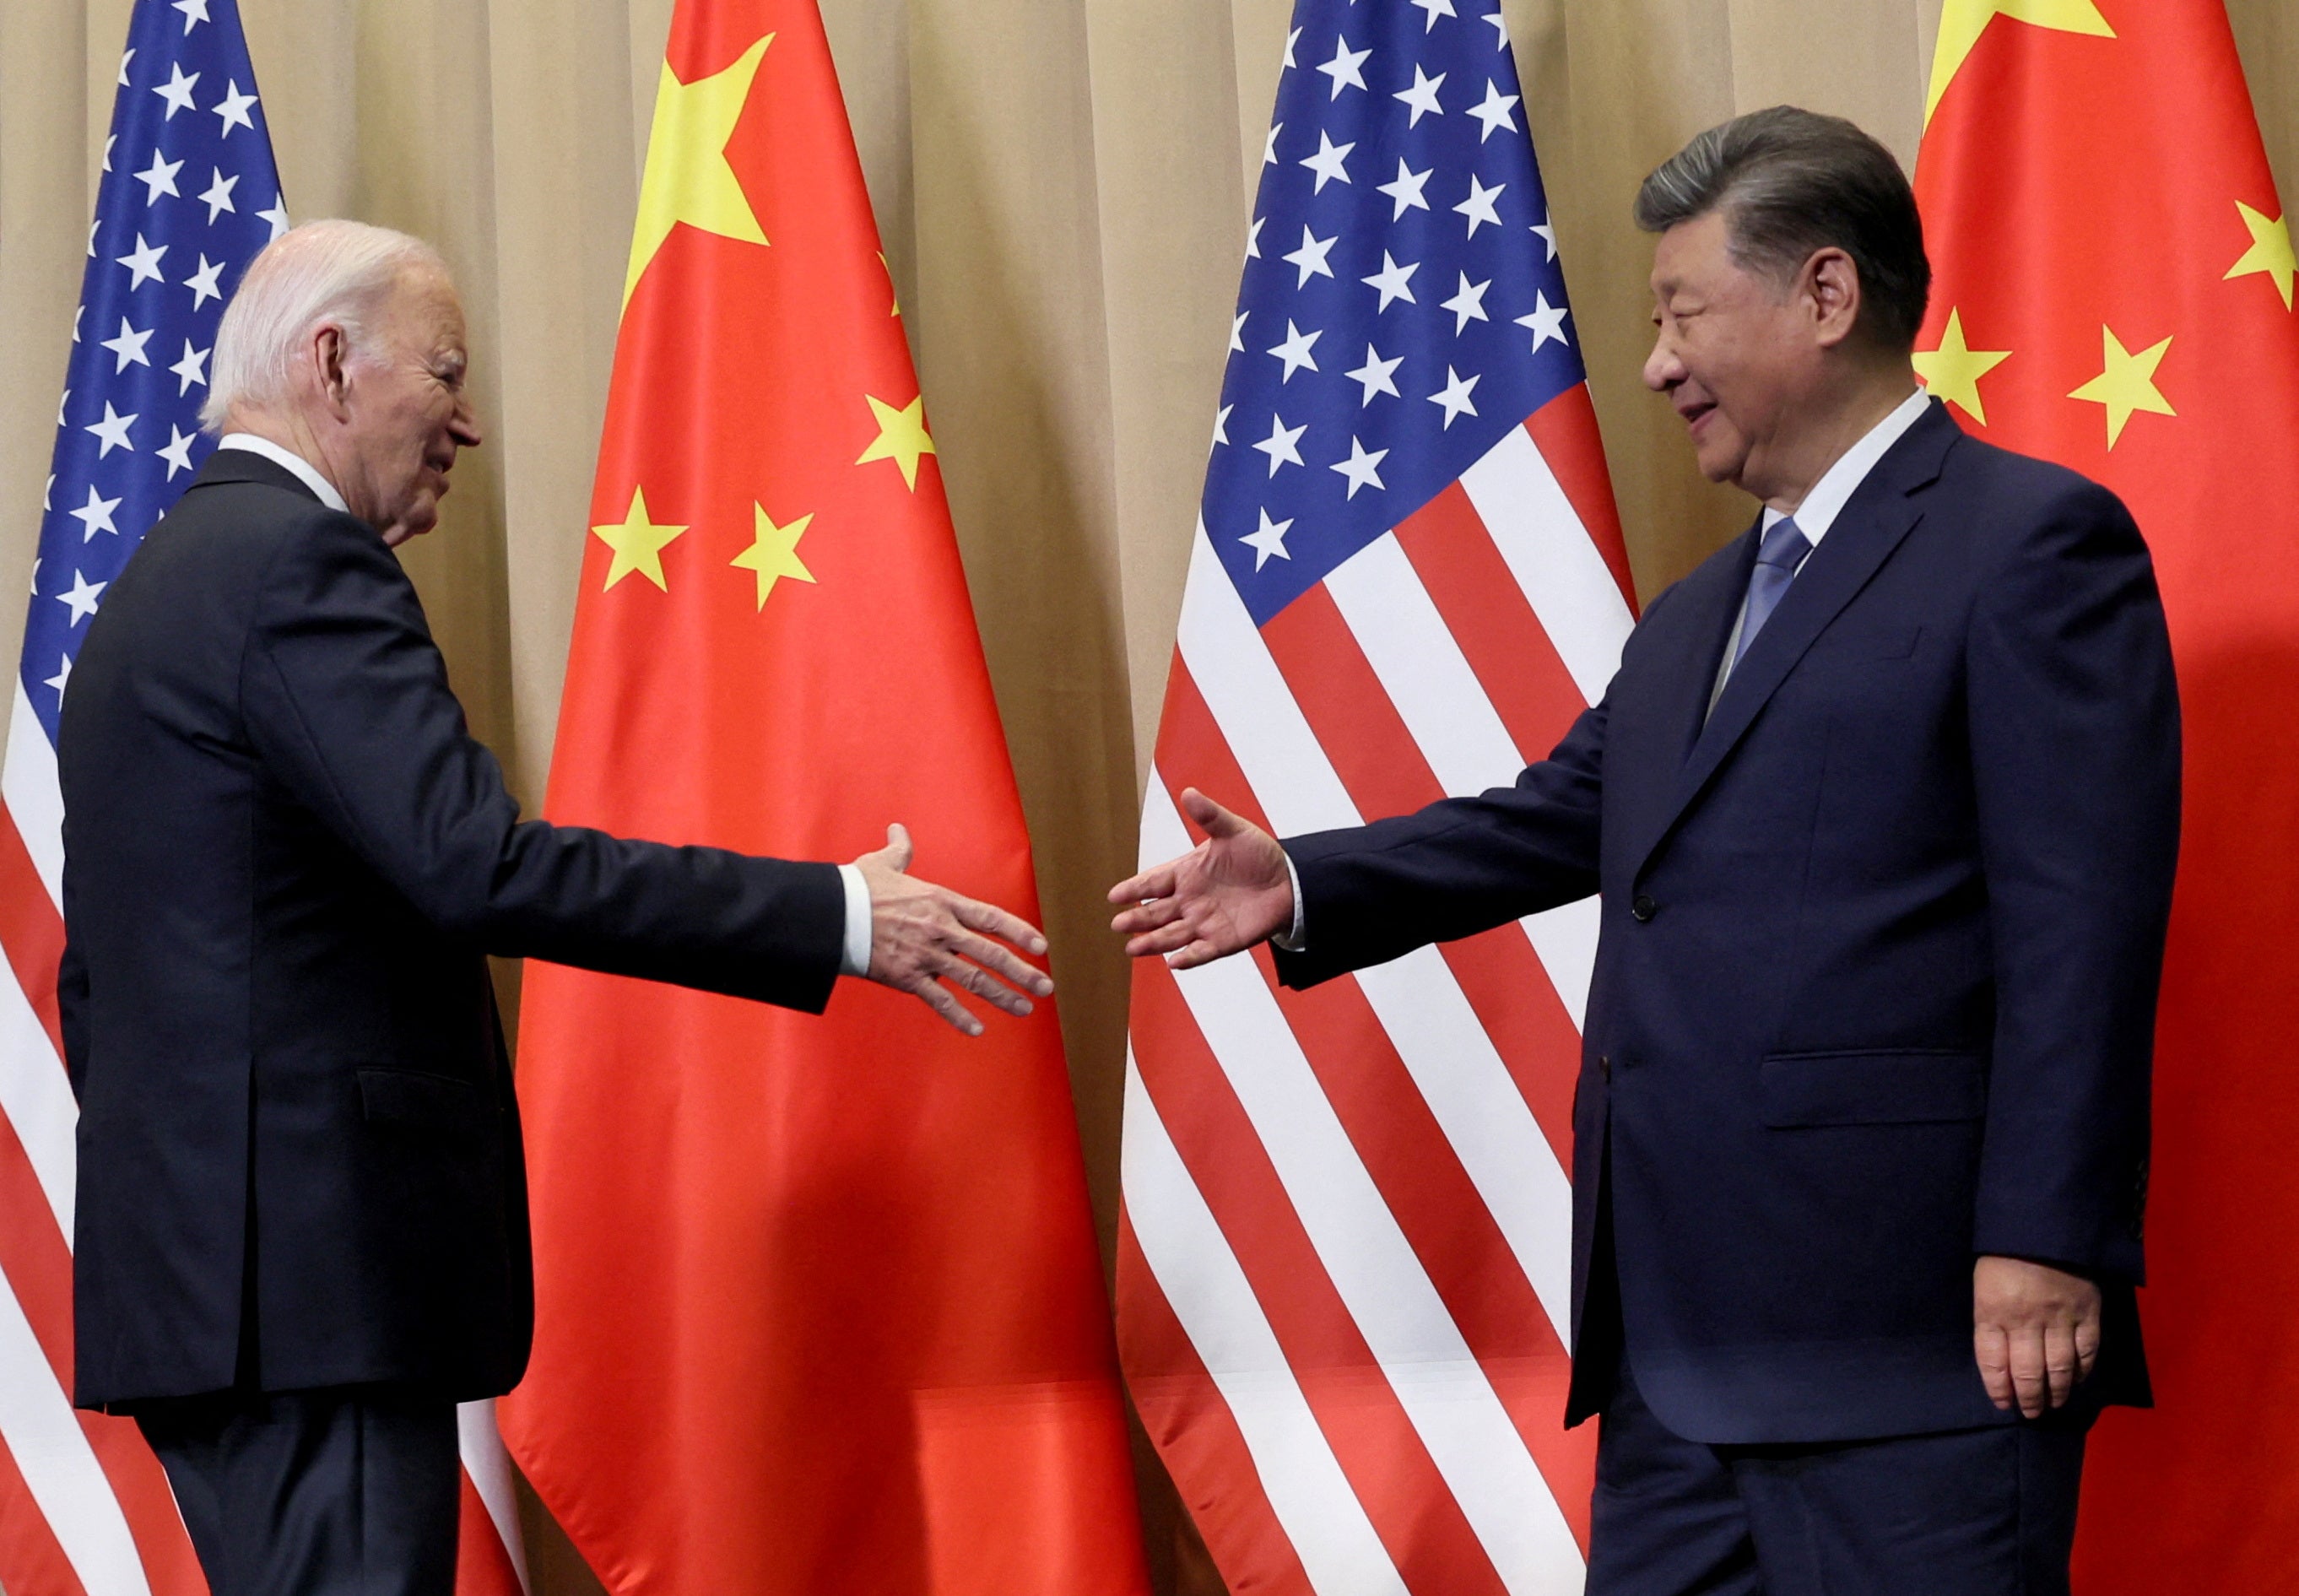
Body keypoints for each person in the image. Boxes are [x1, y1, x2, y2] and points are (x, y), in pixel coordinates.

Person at [1112, 107, 2179, 1594]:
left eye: (1682, 314)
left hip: (1913, 1346)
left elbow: (2085, 925)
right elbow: (1563, 816)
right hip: (1676, 1363)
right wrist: (1304, 880)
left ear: (1824, 294)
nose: (1655, 365)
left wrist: (2048, 1238)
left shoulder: (2033, 546)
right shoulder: (1693, 615)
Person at [60, 219, 1052, 1596]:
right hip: (311, 1302)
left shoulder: (147, 594)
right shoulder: (299, 569)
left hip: (213, 1294)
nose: (466, 425)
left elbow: (93, 981)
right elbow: (479, 865)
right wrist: (835, 915)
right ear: (332, 362)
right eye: (446, 374)